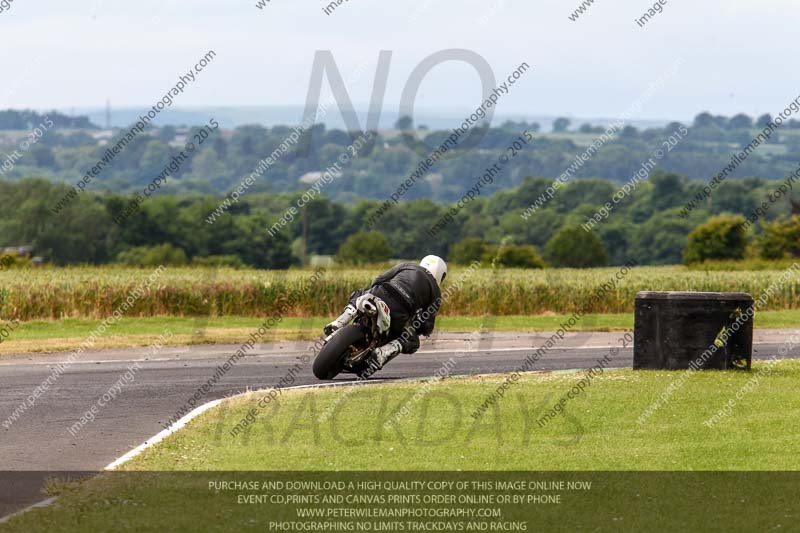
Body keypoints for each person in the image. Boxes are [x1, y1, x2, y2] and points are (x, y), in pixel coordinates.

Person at [324, 255, 447, 369]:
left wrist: (374, 290)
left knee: (361, 293)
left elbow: (378, 279)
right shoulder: (436, 292)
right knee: (413, 341)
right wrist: (418, 327)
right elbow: (428, 326)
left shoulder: (407, 265)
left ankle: (339, 322)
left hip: (379, 293)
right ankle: (382, 353)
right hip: (400, 311)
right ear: (441, 274)